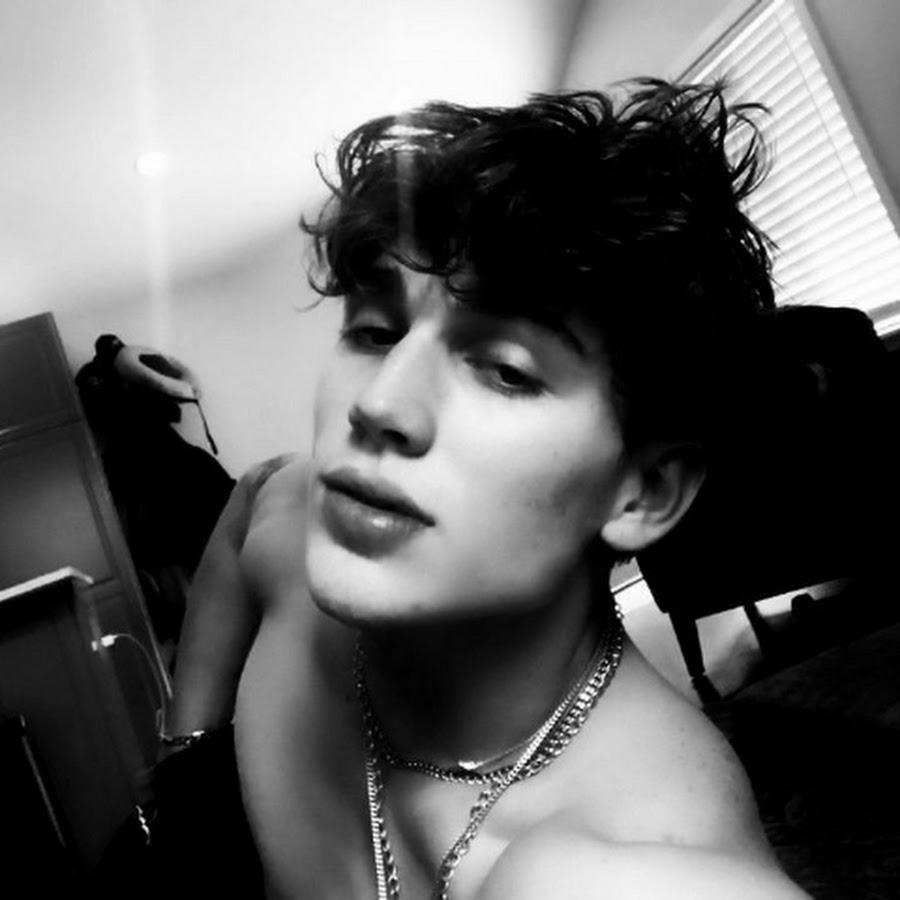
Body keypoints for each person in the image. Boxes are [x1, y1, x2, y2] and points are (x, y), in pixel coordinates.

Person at [157, 79, 811, 899]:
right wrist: (188, 769)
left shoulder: (631, 868)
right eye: (375, 332)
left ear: (642, 492)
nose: (380, 404)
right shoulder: (292, 526)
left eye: (506, 371)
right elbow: (251, 503)